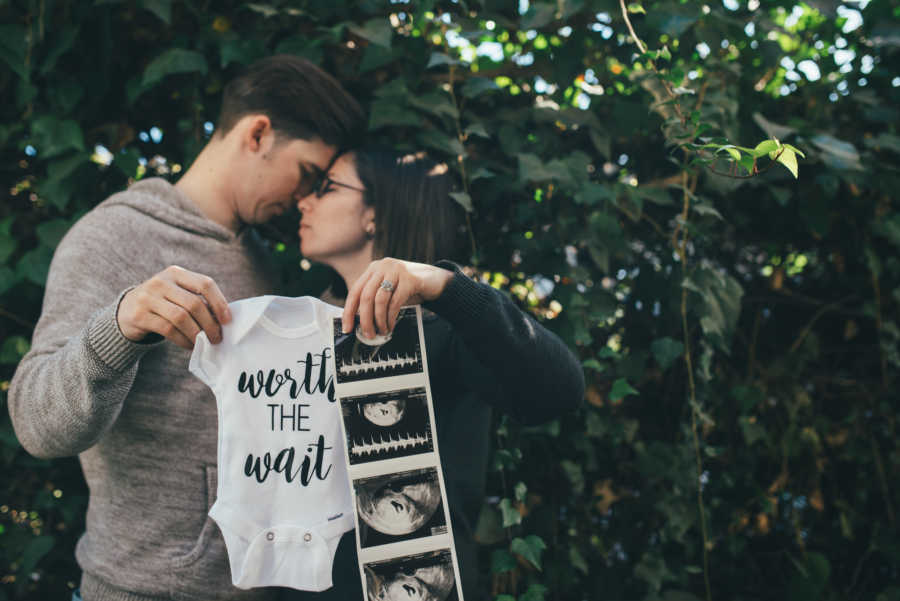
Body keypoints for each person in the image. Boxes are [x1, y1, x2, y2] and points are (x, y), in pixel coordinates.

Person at [7, 55, 364, 601]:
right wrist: (120, 327)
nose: (303, 199)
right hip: (139, 590)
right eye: (307, 175)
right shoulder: (115, 236)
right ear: (258, 133)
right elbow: (36, 424)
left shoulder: (264, 262)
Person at [295, 149, 586, 599]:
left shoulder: (446, 330)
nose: (304, 202)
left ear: (375, 214)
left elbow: (559, 390)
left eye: (328, 187)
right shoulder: (294, 327)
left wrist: (444, 288)